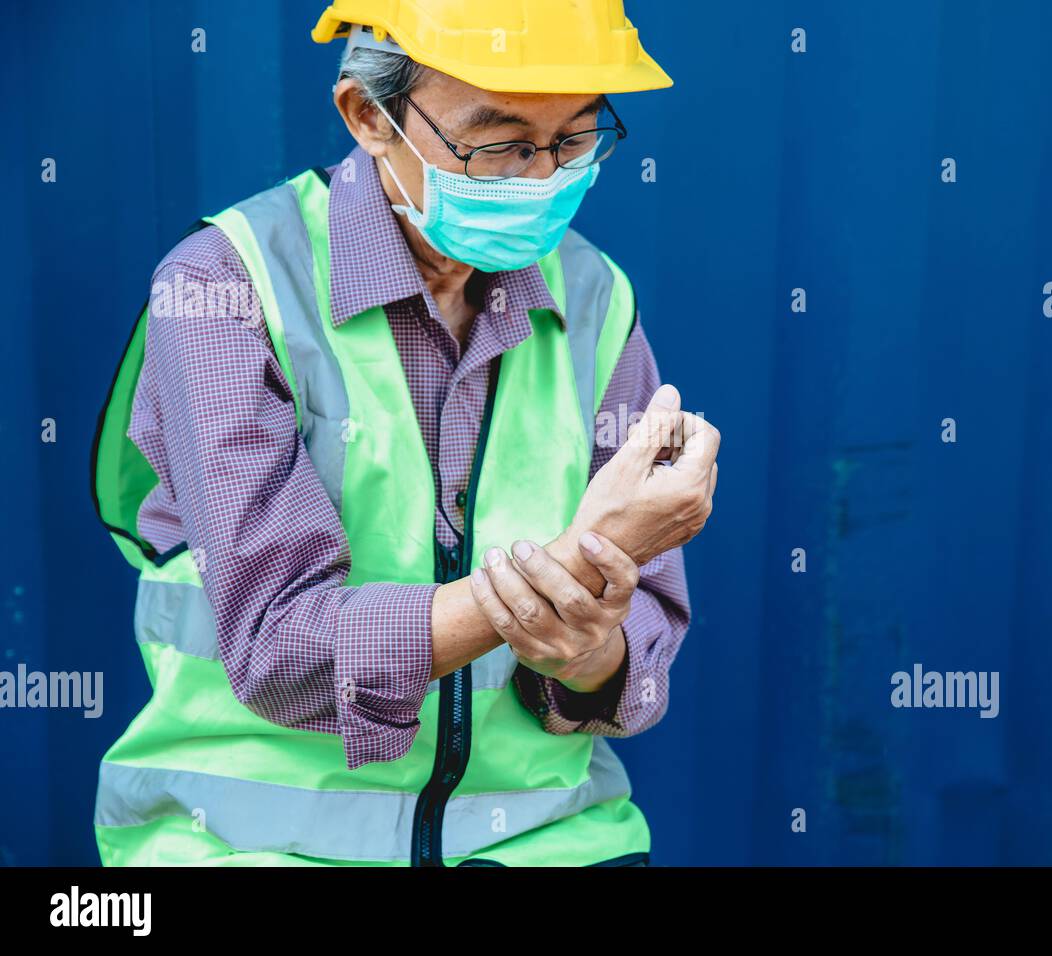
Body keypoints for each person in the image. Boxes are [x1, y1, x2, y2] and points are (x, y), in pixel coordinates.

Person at [90, 0, 719, 867]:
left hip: (546, 846)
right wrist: (575, 565)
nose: (540, 177)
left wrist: (589, 648)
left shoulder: (596, 299)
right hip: (253, 846)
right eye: (498, 143)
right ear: (368, 117)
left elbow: (636, 678)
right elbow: (281, 648)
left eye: (574, 138)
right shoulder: (226, 287)